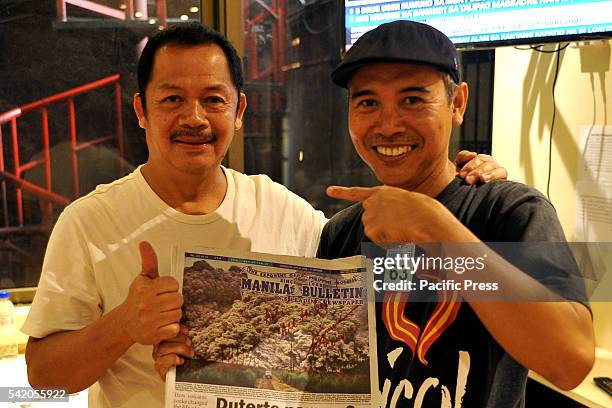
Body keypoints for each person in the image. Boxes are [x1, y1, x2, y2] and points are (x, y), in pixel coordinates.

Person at [21, 23, 505, 408]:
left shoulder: (288, 213)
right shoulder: (89, 221)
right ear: (141, 111)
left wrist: (454, 186)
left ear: (238, 111)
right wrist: (124, 325)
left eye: (213, 99)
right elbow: (43, 381)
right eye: (171, 99)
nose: (194, 118)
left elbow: (368, 296)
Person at [316, 21, 595, 407]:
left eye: (412, 99)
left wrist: (435, 227)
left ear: (458, 104)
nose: (389, 125)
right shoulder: (341, 233)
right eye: (367, 102)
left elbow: (571, 362)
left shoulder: (508, 212)